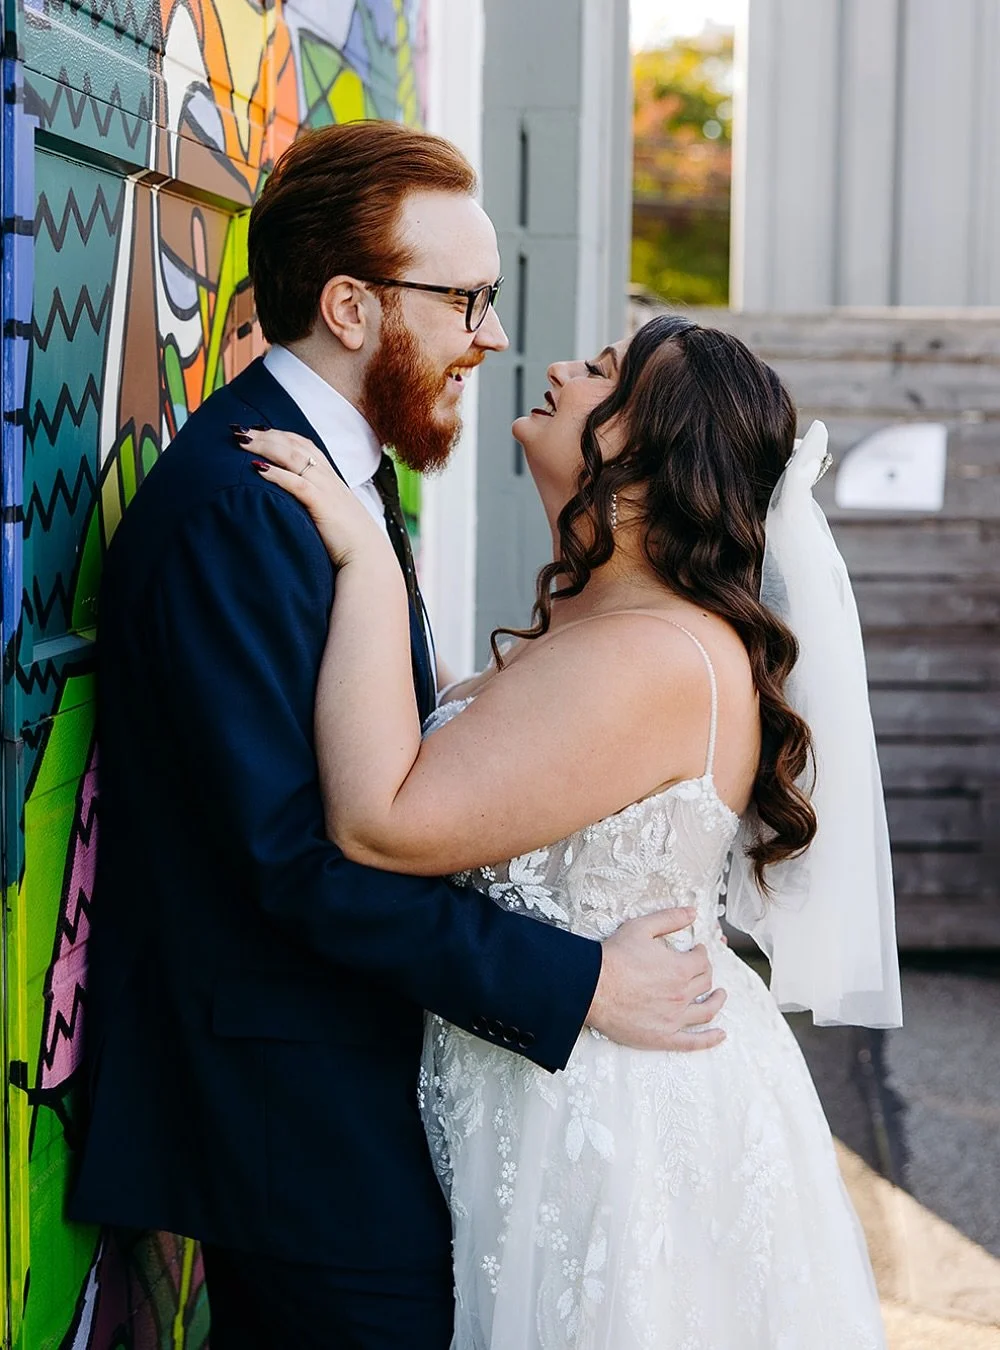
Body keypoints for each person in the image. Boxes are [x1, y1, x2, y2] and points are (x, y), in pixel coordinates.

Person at [68, 124, 729, 1349]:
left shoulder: (341, 479)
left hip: (350, 1096)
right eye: (466, 299)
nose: (493, 335)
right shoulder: (237, 507)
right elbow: (297, 861)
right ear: (351, 307)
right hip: (294, 1122)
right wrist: (581, 982)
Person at [242, 312, 903, 1348]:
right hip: (552, 1078)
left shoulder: (654, 656)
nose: (557, 367)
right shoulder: (608, 627)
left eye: (602, 373)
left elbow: (381, 820)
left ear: (653, 461)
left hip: (609, 1119)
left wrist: (366, 560)